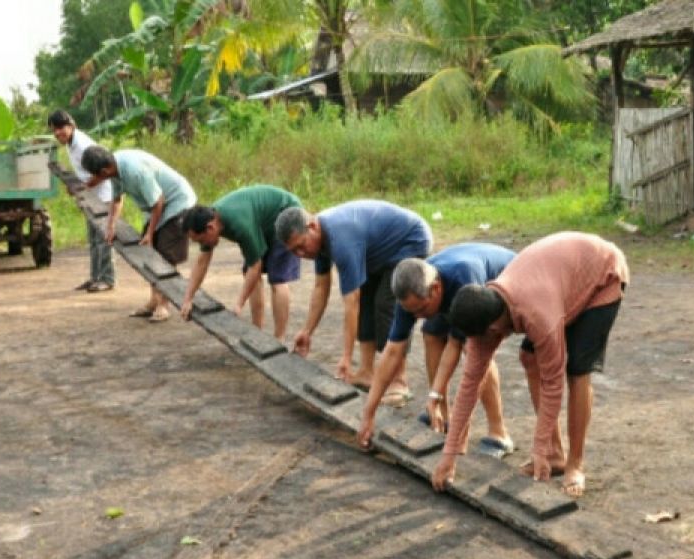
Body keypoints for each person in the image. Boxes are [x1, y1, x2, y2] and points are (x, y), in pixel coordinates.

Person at [430, 232, 629, 498]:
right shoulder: (483, 318)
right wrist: (449, 455)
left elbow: (552, 384)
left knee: (577, 372)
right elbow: (469, 386)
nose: (476, 345)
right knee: (530, 358)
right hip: (558, 281)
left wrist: (537, 448)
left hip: (601, 274)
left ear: (494, 328)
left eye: (480, 339)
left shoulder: (538, 318)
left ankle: (574, 464)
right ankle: (554, 454)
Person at [356, 243, 516, 457]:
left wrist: (457, 434)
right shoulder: (410, 293)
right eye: (412, 312)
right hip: (453, 291)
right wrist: (368, 413)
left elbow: (456, 345)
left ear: (436, 289)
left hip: (501, 286)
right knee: (431, 333)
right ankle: (442, 416)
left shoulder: (463, 277)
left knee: (475, 351)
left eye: (421, 309)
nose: (417, 316)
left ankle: (499, 434)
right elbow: (393, 351)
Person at [275, 201, 431, 405]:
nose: (301, 255)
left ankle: (399, 381)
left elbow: (350, 303)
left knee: (386, 304)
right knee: (366, 298)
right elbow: (321, 288)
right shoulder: (318, 242)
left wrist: (346, 358)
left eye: (301, 246)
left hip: (409, 240)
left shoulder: (341, 240)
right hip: (377, 251)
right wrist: (307, 331)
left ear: (312, 226)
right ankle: (367, 372)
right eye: (294, 251)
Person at [81, 145, 196, 322]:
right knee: (148, 254)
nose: (95, 179)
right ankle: (154, 300)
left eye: (96, 175)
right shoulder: (114, 168)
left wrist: (150, 233)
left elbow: (158, 202)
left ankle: (164, 305)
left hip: (177, 203)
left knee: (165, 255)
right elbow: (117, 199)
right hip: (157, 207)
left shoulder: (135, 171)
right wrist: (110, 225)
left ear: (104, 171)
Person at [180, 186, 302, 339]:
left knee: (278, 279)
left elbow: (255, 265)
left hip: (287, 213)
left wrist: (239, 304)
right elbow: (202, 262)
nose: (201, 244)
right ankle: (257, 332)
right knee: (250, 274)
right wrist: (188, 299)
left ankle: (279, 340)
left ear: (210, 228)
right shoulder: (209, 222)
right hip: (263, 223)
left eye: (200, 240)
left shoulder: (239, 224)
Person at [47, 110, 114, 292]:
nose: (58, 133)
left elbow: (104, 171)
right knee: (93, 240)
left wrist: (83, 187)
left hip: (103, 196)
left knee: (103, 239)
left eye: (61, 128)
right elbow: (84, 174)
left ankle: (107, 279)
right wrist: (78, 188)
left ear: (71, 125)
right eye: (54, 130)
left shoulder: (82, 144)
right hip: (90, 196)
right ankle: (95, 278)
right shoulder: (70, 144)